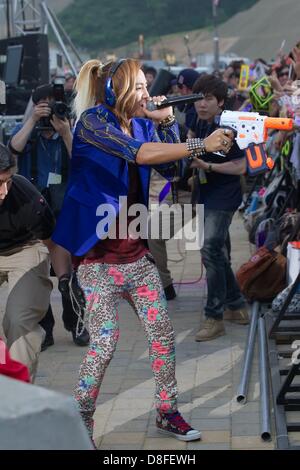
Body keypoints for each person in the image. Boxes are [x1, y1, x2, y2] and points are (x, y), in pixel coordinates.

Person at [51, 58, 233, 442]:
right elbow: (140, 155)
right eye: (139, 88)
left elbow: (172, 173)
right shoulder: (93, 123)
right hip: (97, 258)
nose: (147, 95)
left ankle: (167, 412)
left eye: (147, 87)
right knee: (105, 342)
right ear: (116, 92)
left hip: (135, 254)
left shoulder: (145, 123)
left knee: (163, 334)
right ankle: (79, 421)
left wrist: (167, 122)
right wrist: (200, 141)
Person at [9, 84, 89, 349]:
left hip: (65, 208)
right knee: (40, 274)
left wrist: (65, 131)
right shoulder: (29, 134)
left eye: (52, 103)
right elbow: (13, 150)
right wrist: (32, 120)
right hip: (34, 211)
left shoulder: (70, 131)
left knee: (68, 277)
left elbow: (82, 162)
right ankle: (47, 329)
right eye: (41, 103)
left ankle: (76, 322)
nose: (48, 109)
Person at [188, 74, 249, 342]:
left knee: (210, 249)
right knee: (217, 251)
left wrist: (207, 166)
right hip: (205, 192)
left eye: (209, 99)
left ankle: (214, 317)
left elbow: (241, 167)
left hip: (224, 195)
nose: (202, 104)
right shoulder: (197, 122)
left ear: (221, 102)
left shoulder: (228, 126)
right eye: (199, 98)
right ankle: (236, 305)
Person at [0, 143, 55, 381]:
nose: (3, 191)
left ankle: (19, 402)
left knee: (19, 321)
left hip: (24, 248)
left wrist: (66, 278)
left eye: (7, 181)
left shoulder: (26, 197)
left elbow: (52, 241)